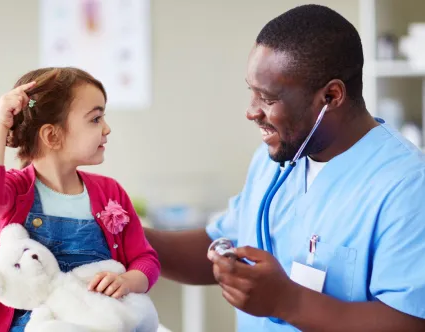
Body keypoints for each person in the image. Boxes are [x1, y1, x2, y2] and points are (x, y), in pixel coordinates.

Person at [144, 4, 425, 331]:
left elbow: (410, 322)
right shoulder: (275, 158)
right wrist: (125, 238)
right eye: (251, 92)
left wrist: (288, 302)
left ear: (331, 96)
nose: (251, 112)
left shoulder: (406, 185)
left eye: (267, 98)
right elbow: (222, 245)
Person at [0, 68, 160, 332]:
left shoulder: (111, 192)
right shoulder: (18, 190)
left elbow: (146, 260)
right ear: (52, 136)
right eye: (95, 118)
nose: (107, 128)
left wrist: (128, 281)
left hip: (96, 321)